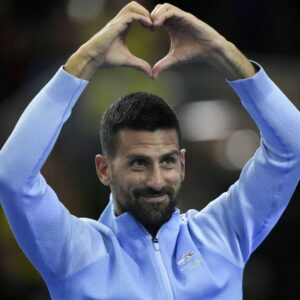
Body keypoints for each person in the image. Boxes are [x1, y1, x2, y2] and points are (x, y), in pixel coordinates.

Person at [0, 2, 299, 299]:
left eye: (167, 162)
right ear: (104, 169)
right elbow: (12, 175)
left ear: (182, 163)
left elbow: (292, 146)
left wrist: (221, 52)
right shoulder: (75, 254)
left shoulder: (222, 233)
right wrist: (87, 59)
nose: (156, 181)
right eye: (139, 164)